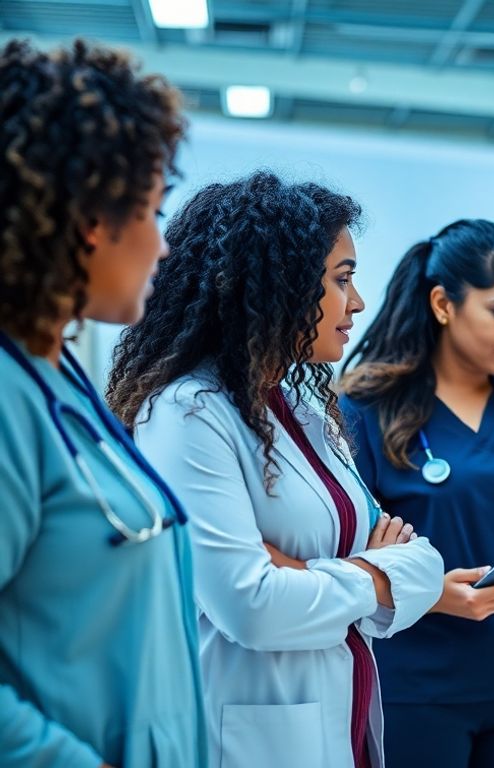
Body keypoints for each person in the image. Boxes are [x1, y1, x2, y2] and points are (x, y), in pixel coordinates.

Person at [106, 171, 447, 768]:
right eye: (342, 280)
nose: (358, 303)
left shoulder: (302, 406)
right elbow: (252, 609)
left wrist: (323, 571)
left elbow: (417, 556)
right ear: (281, 283)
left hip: (342, 716)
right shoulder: (187, 412)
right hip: (254, 735)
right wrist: (374, 575)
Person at [0, 38, 207, 768]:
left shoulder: (62, 378)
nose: (163, 246)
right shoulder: (7, 401)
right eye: (153, 210)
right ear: (93, 215)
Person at [340, 219, 494, 768]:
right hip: (416, 689)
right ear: (443, 303)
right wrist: (432, 593)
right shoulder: (363, 410)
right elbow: (345, 561)